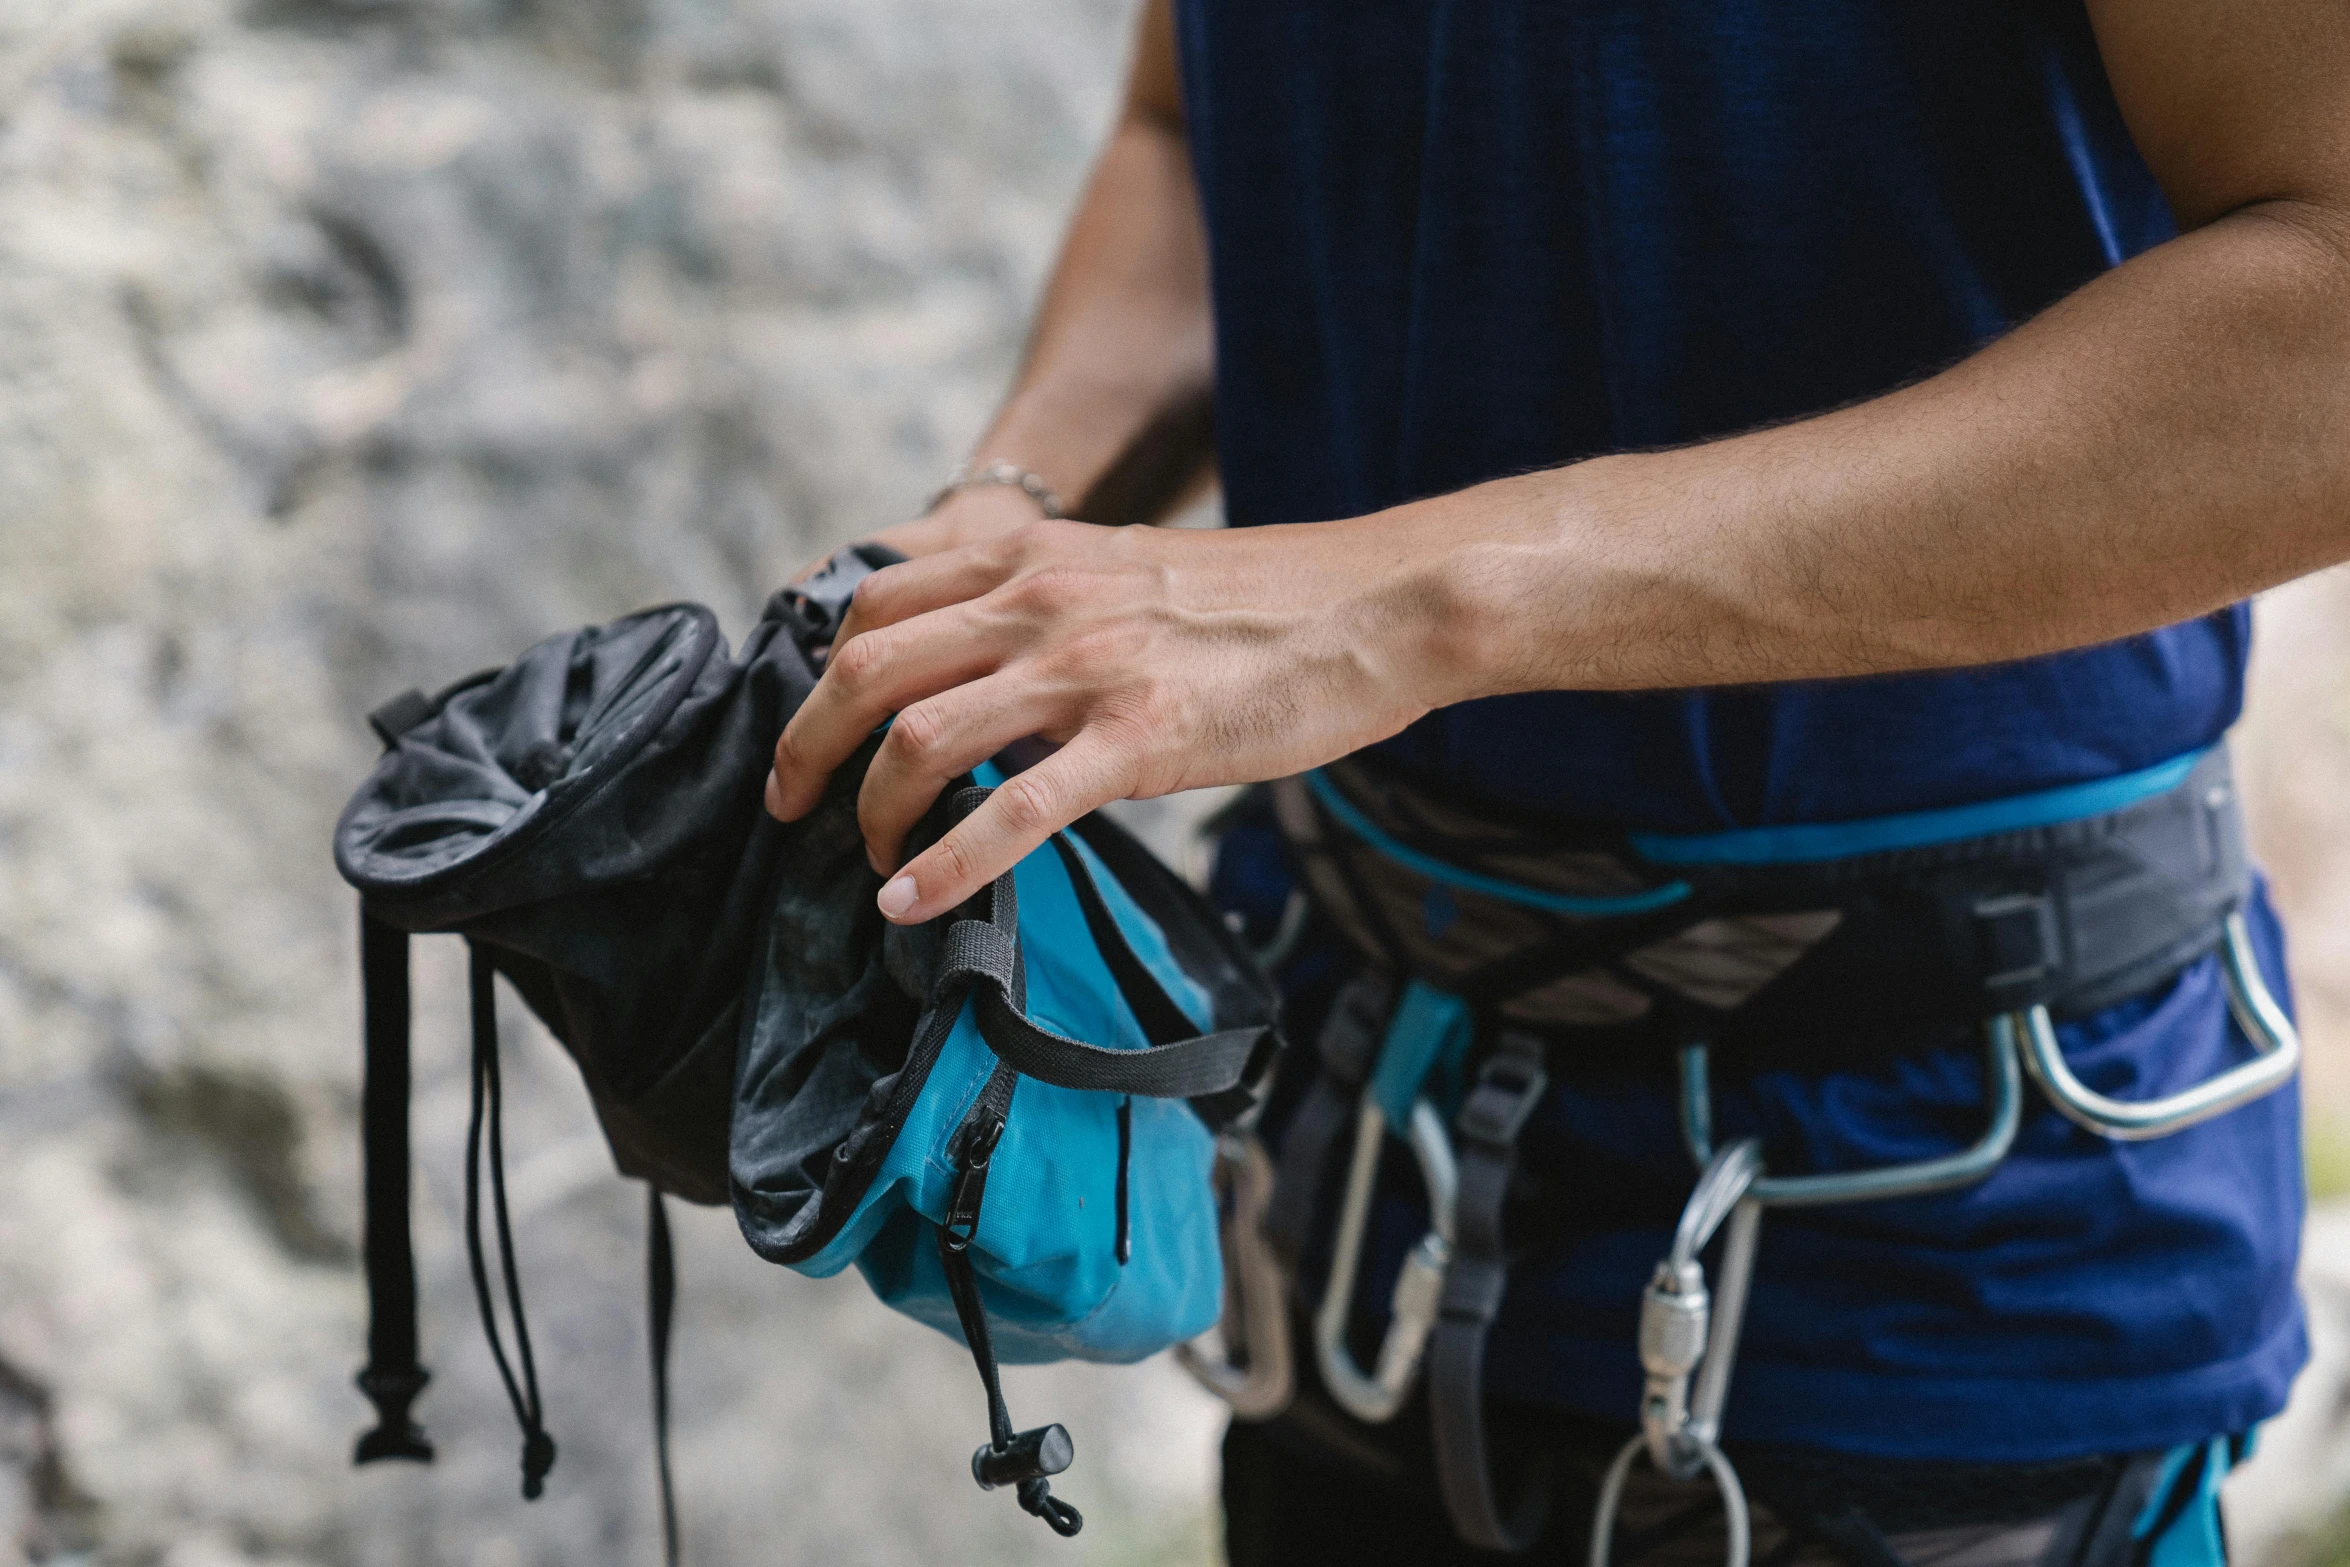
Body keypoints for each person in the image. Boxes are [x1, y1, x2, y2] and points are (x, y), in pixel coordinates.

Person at [765, 0, 2350, 1561]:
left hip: (1933, 1236)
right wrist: (995, 527)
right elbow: (1197, 135)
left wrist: (1408, 599)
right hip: (1358, 1159)